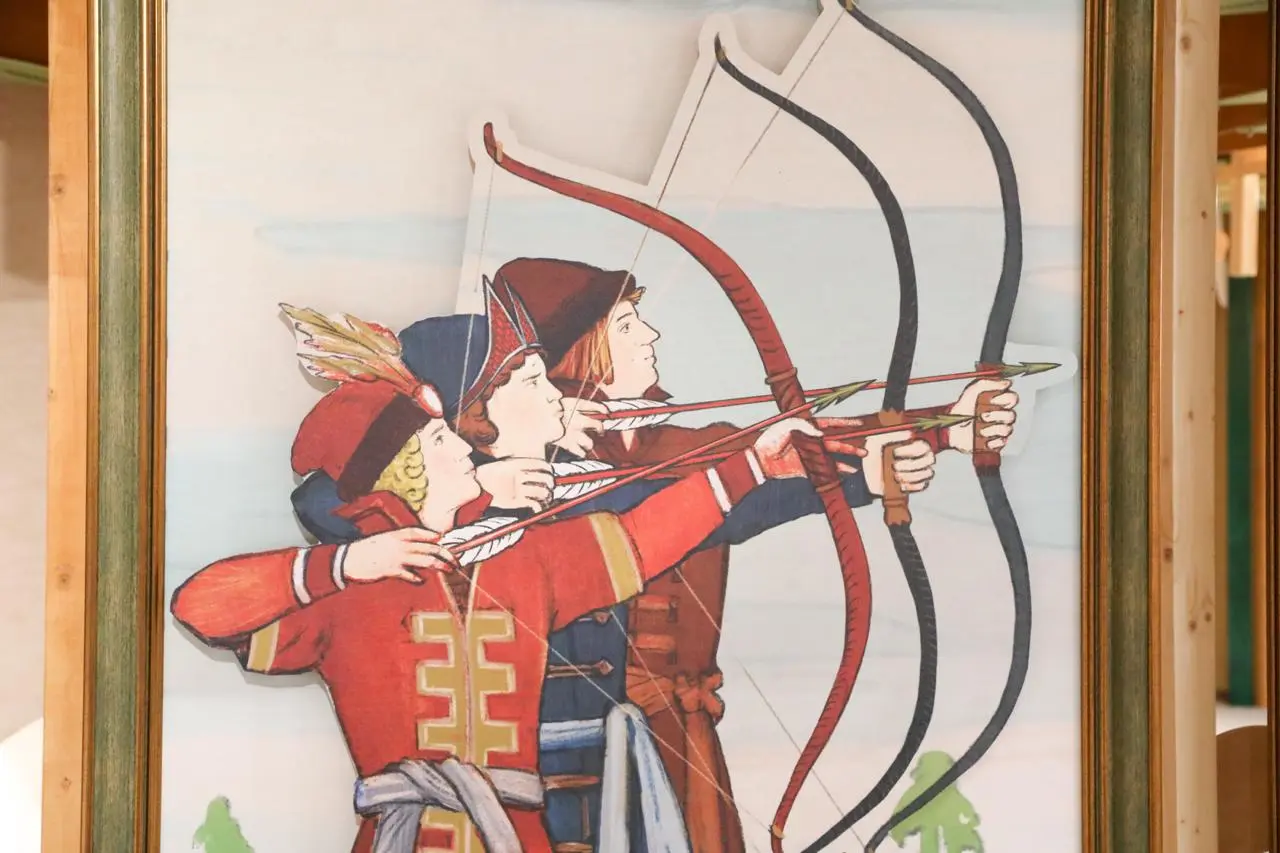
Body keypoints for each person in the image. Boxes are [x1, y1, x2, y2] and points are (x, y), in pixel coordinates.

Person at [171, 315, 841, 853]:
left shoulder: (526, 559)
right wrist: (340, 567)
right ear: (405, 473)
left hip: (516, 835)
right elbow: (199, 606)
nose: (463, 447)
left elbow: (645, 538)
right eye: (440, 442)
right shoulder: (347, 595)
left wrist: (753, 466)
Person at [496, 256, 1019, 853]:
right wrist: (865, 473)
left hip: (675, 738)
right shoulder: (520, 473)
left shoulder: (677, 448)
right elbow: (714, 496)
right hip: (567, 760)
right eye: (627, 325)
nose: (651, 335)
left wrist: (944, 428)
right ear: (582, 353)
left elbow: (785, 455)